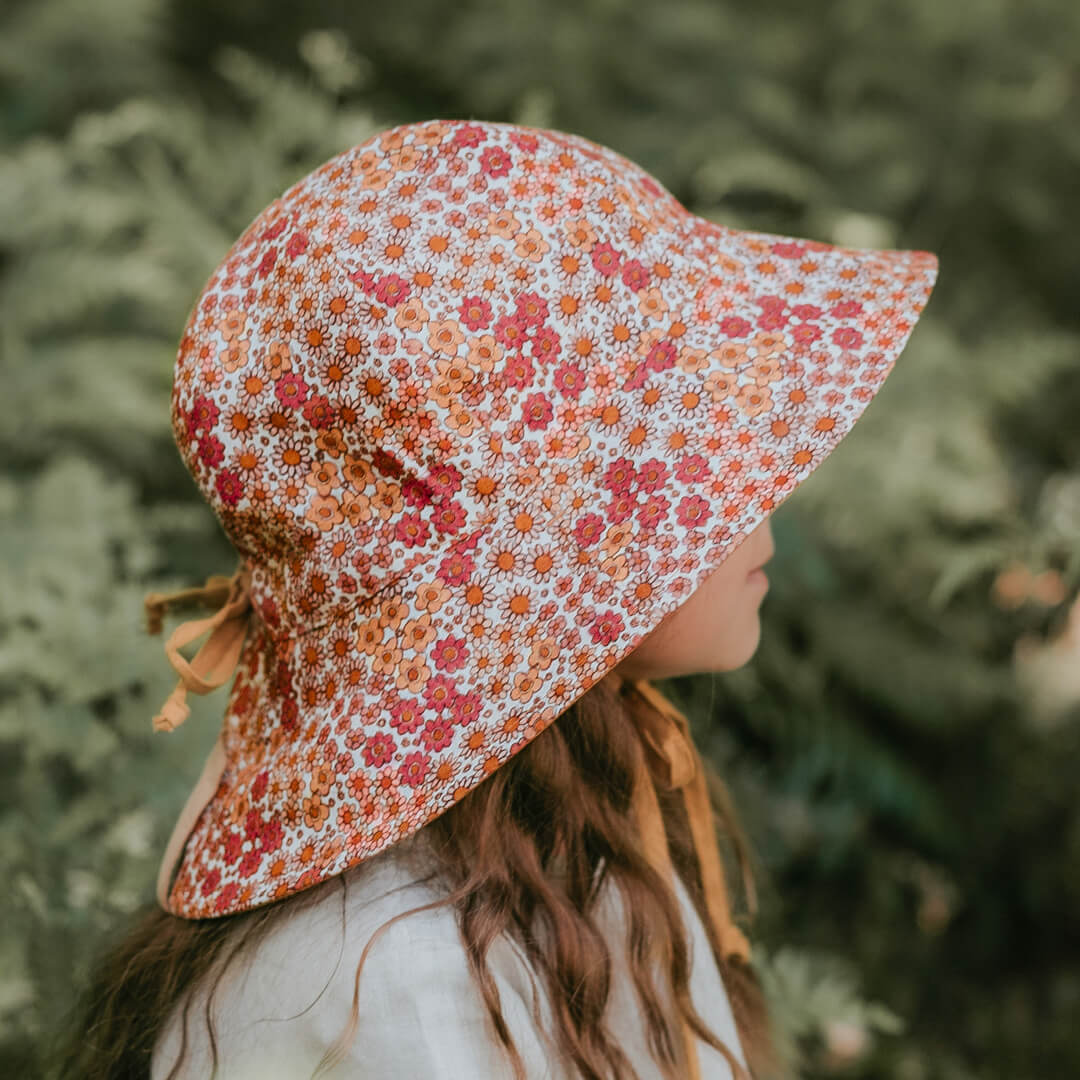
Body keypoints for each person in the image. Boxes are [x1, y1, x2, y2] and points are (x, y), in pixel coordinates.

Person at [52, 117, 939, 1080]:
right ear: (557, 547)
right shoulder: (406, 988)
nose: (769, 483)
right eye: (701, 445)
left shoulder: (568, 846)